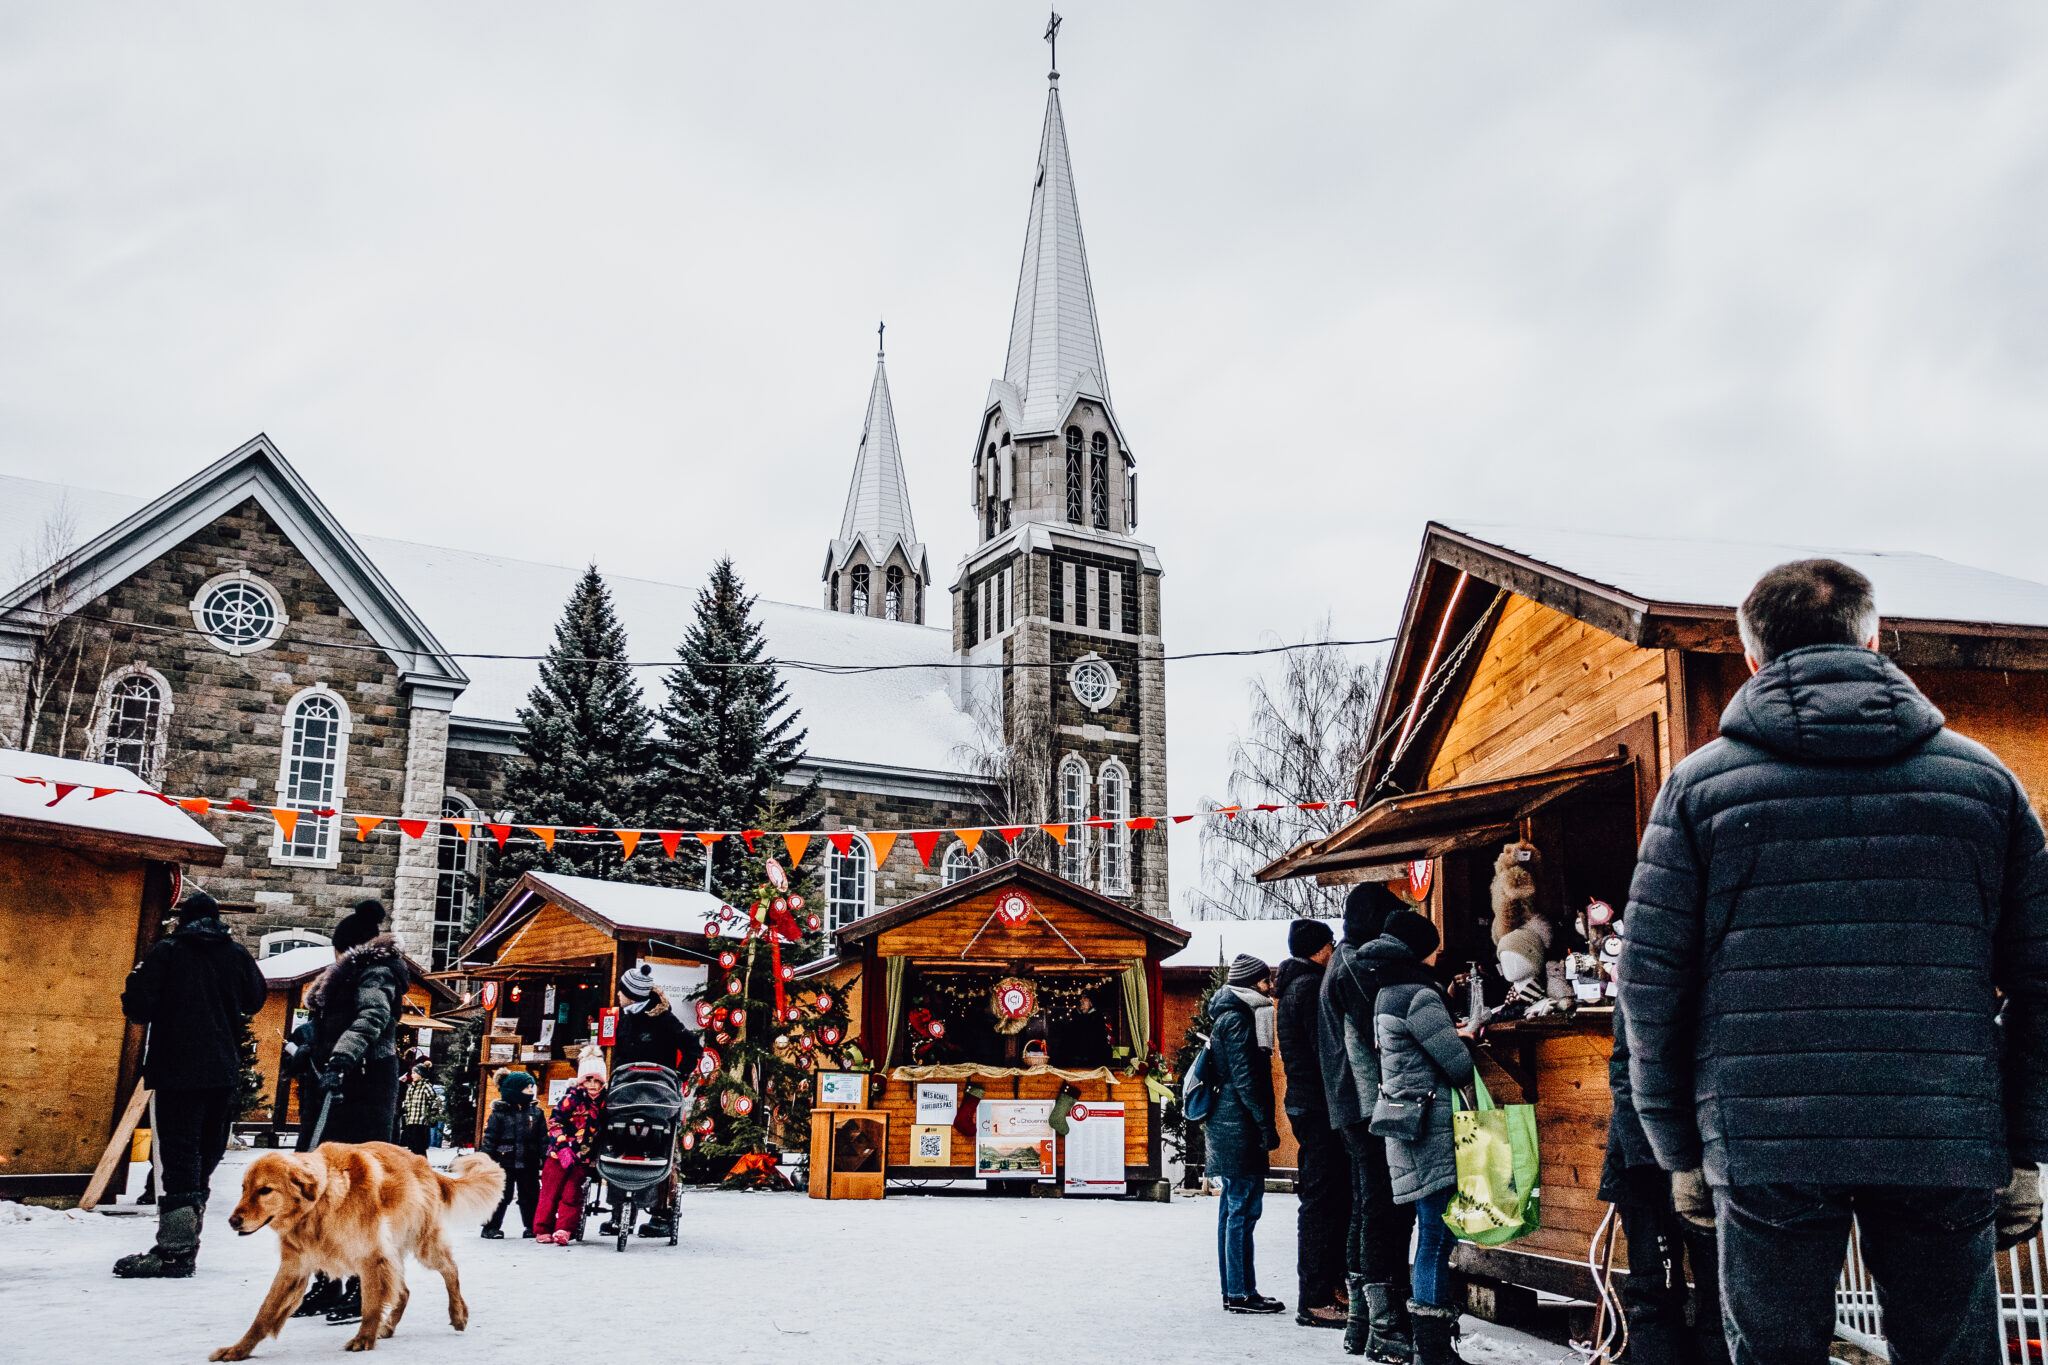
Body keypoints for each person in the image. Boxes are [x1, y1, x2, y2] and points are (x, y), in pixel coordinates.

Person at [1620, 558, 2048, 1363]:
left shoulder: (1697, 792)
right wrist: (2026, 1143)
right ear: (1874, 639)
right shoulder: (1982, 782)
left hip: (1764, 1138)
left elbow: (1649, 990)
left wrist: (1678, 1149)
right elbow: (2042, 981)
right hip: (1942, 1130)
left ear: (1752, 657)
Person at [111, 889, 266, 1279]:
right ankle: (184, 1242)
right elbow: (255, 999)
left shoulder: (167, 951)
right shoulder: (236, 954)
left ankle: (176, 1251)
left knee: (179, 1157)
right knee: (206, 1154)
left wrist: (137, 977)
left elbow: (137, 1006)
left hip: (176, 1069)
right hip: (222, 1071)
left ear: (183, 920)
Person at [1368, 910, 1478, 1365]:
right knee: (1435, 1235)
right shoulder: (1419, 995)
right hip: (1430, 1128)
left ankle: (1430, 1346)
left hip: (1407, 1124)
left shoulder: (1387, 991)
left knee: (1430, 1231)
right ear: (1419, 949)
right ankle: (1432, 1350)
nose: (1437, 955)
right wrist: (1466, 1037)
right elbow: (1458, 1065)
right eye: (1433, 947)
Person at [296, 899, 409, 1324]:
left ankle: (368, 1285)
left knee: (361, 1190)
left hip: (363, 1085)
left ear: (347, 948)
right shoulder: (348, 974)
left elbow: (374, 1016)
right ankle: (329, 1279)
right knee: (324, 1186)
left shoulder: (377, 971)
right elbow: (332, 1024)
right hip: (333, 1084)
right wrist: (308, 1047)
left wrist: (342, 1056)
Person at [1320, 881, 1415, 1360]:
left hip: (1349, 1103)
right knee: (1382, 1208)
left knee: (1366, 1205)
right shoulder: (1356, 964)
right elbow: (1378, 1024)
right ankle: (1385, 1325)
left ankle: (1362, 1322)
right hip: (1365, 1101)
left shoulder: (1341, 959)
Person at [1598, 1013, 1727, 1365]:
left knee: (1712, 1291)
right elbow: (1625, 1070)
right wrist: (1643, 1159)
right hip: (1658, 1157)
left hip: (1692, 1153)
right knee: (1658, 1287)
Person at [1275, 918, 1347, 1330]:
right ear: (1320, 949)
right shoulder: (1310, 988)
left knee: (1323, 1198)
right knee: (1323, 1201)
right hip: (1320, 1106)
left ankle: (1327, 1290)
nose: (1333, 950)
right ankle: (1317, 1298)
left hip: (1306, 1103)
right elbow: (1328, 1052)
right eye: (1330, 944)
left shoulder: (1293, 986)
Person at [603, 962, 703, 1239]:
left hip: (659, 1097)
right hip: (625, 1095)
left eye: (621, 991)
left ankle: (662, 1213)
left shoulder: (664, 1020)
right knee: (619, 1144)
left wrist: (680, 1075)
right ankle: (620, 1211)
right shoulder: (625, 1017)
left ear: (631, 994)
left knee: (664, 1151)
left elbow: (693, 1047)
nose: (618, 995)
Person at [1208, 954, 1284, 1314]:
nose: (1271, 987)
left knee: (1233, 1208)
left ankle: (1236, 1290)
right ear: (1252, 984)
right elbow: (1246, 1080)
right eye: (1266, 981)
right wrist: (1265, 1125)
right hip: (1237, 1124)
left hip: (1233, 1121)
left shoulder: (1234, 1015)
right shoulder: (1238, 1019)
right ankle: (1240, 1293)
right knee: (1241, 1208)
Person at [534, 1047, 606, 1245]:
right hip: (558, 1156)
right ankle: (543, 1228)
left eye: (598, 1081)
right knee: (550, 1193)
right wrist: (562, 1147)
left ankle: (564, 1229)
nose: (593, 1085)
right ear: (581, 1081)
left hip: (581, 1159)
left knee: (572, 1194)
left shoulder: (603, 1103)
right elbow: (554, 1123)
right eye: (589, 1080)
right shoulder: (571, 1099)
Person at [480, 1069, 546, 1239]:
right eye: (527, 1087)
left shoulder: (536, 1113)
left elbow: (543, 1138)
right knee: (501, 1195)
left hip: (529, 1161)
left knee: (530, 1195)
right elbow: (490, 1139)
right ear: (515, 1090)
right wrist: (486, 1160)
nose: (531, 1090)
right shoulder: (499, 1114)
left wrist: (544, 1158)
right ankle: (490, 1227)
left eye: (532, 1087)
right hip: (504, 1161)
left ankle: (532, 1226)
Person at [1053, 991, 1114, 1069]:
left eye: (1085, 998)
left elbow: (1100, 1044)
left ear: (1091, 1003)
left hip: (1094, 1065)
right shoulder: (1075, 1018)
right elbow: (1066, 1043)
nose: (1081, 1001)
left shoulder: (1098, 1020)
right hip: (1074, 1064)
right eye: (1081, 998)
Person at [398, 1062, 443, 1155]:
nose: (412, 1075)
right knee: (412, 1145)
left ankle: (422, 1160)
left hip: (421, 1121)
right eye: (412, 1073)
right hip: (410, 1120)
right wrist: (402, 1109)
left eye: (414, 1073)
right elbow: (408, 1101)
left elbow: (436, 1100)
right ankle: (415, 1161)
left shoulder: (426, 1087)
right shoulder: (411, 1087)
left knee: (419, 1145)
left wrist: (433, 1113)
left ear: (421, 1074)